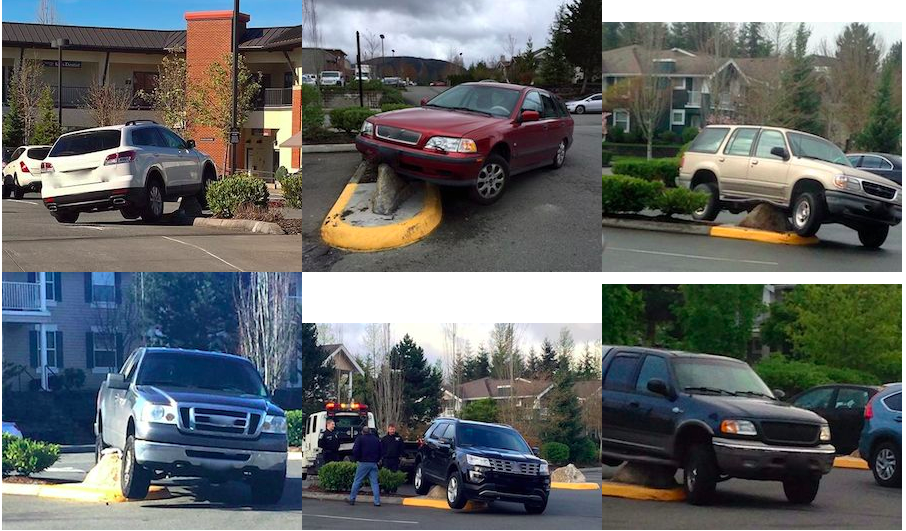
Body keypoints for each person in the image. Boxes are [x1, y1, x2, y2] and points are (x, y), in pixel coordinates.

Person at [347, 426, 382, 506]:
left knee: (357, 481)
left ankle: (352, 499)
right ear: (370, 431)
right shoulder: (376, 439)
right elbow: (380, 451)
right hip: (373, 463)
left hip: (363, 462)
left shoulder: (360, 439)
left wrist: (357, 458)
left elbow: (355, 450)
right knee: (374, 483)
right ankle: (377, 502)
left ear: (362, 432)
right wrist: (377, 459)